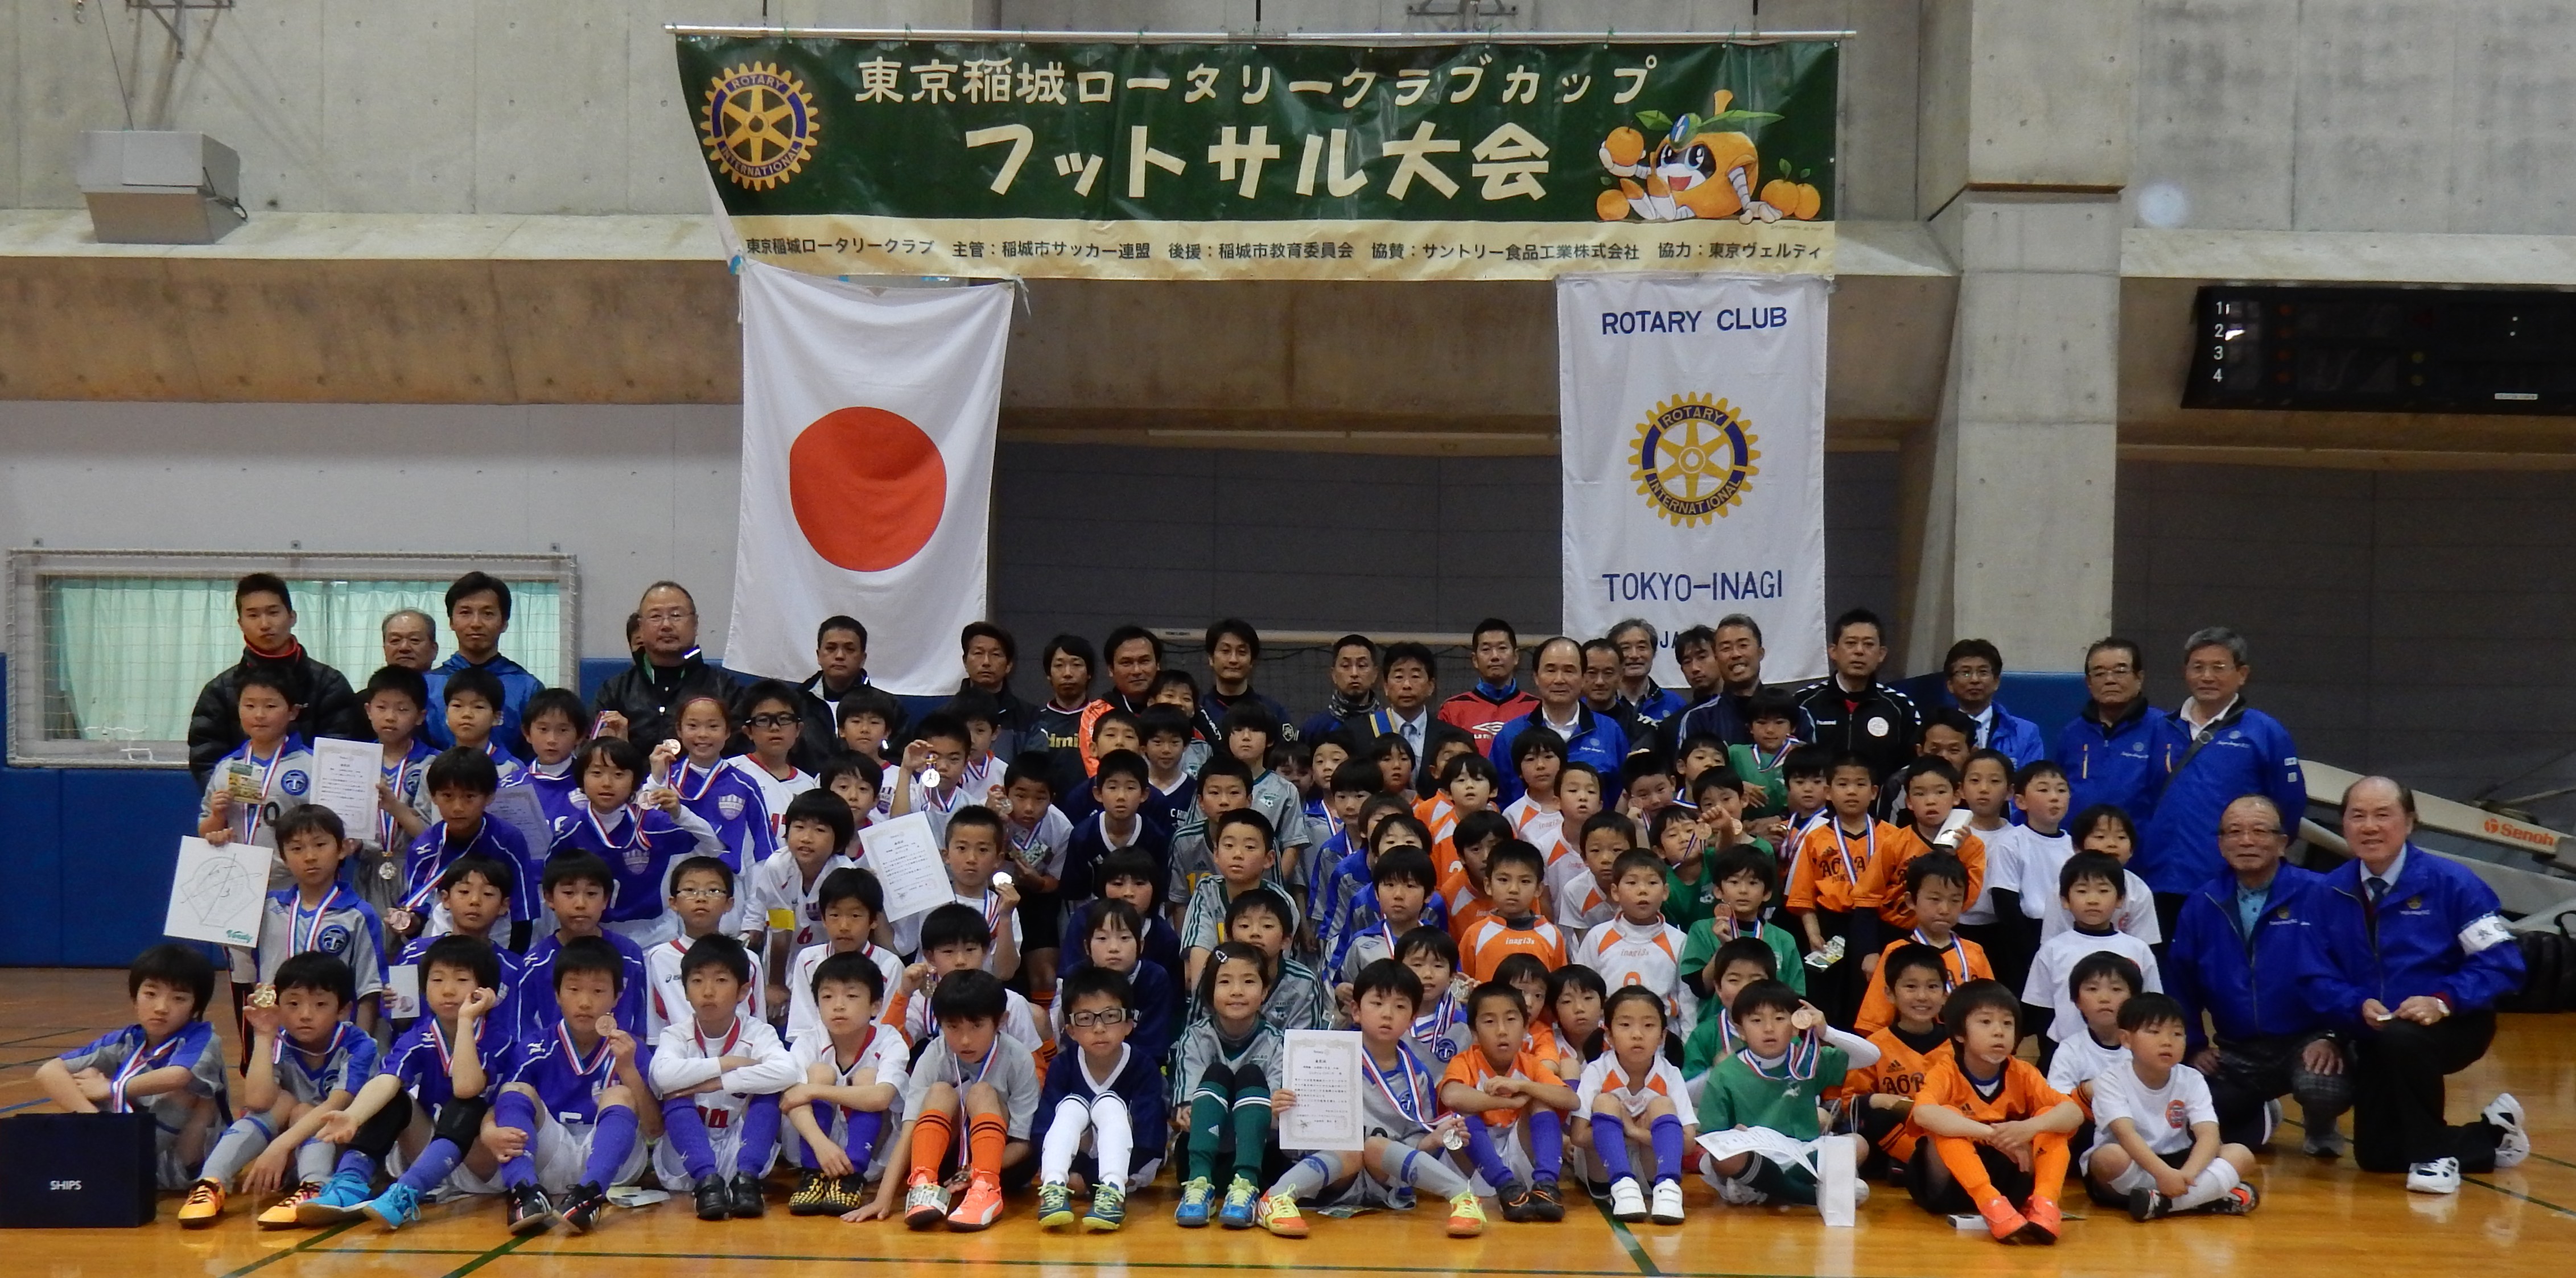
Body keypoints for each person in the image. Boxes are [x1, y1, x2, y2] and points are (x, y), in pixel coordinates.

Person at [2301, 776, 2529, 1194]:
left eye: (2382, 815)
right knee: (2377, 1156)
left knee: (2404, 1038)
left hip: (2454, 1023)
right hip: (2373, 1031)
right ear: (2344, 824)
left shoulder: (2453, 883)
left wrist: (2442, 1000)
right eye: (2357, 816)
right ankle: (2489, 1137)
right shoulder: (2326, 892)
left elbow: (2502, 962)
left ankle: (2433, 1159)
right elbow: (2314, 976)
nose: (2370, 827)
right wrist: (2355, 1006)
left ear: (2409, 822)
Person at [2167, 795, 2352, 1152]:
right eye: (2234, 832)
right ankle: (2263, 1111)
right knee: (2189, 1112)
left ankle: (2320, 1123)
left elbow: (2353, 970)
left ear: (2283, 842)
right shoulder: (2202, 903)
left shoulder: (2321, 893)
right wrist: (2194, 1046)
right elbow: (2180, 981)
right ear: (2221, 844)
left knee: (2322, 1087)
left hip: (2308, 1040)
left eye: (2259, 831)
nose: (2247, 841)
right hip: (2236, 1048)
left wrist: (2335, 1035)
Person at [1258, 959, 1487, 1239]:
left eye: (1400, 1007)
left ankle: (1464, 1197)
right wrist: (1279, 1113)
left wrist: (1432, 1140)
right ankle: (1276, 1198)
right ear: (1356, 1011)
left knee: (1375, 1147)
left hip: (1384, 1183)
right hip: (1332, 1177)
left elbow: (1416, 1139)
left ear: (1412, 1019)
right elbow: (1293, 1137)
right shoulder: (1323, 1058)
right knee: (1352, 1150)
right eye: (1377, 1004)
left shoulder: (1418, 1076)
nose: (1387, 1014)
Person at [325, 936, 513, 1228]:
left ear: (484, 991)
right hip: (430, 1155)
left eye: (461, 980)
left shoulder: (499, 1038)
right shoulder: (419, 1035)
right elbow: (387, 1079)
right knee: (395, 1097)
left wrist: (466, 1020)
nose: (448, 990)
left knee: (467, 1104)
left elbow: (466, 1088)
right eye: (437, 980)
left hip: (483, 1165)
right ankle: (349, 1181)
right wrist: (354, 1116)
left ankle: (406, 1193)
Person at [182, 953, 374, 1228]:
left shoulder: (360, 1046)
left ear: (343, 1010)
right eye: (293, 1004)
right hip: (291, 1150)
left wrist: (279, 1146)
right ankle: (210, 1183)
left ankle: (316, 1188)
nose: (305, 1015)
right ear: (279, 1005)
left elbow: (335, 1106)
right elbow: (257, 1101)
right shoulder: (280, 1039)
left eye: (320, 1004)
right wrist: (263, 1036)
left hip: (344, 1150)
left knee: (305, 1110)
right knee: (280, 1102)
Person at [2138, 627, 2306, 937]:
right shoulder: (2163, 728)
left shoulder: (2265, 732)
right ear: (2185, 672)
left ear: (2242, 674)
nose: (2207, 677)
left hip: (2230, 880)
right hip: (2163, 877)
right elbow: (2148, 797)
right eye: (2198, 667)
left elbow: (2289, 806)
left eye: (2218, 667)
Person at [486, 937, 657, 1235]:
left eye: (598, 991)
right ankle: (525, 1192)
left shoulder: (632, 1048)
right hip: (550, 1157)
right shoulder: (535, 1047)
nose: (585, 1002)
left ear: (617, 997)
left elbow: (655, 1130)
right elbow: (502, 1104)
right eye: (574, 989)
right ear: (557, 994)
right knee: (515, 1090)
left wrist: (629, 1070)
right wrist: (488, 1132)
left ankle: (589, 1196)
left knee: (620, 1093)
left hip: (616, 1167)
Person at [37, 945, 228, 1197]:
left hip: (188, 1166)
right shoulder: (126, 1040)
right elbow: (48, 1071)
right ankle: (116, 1157)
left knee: (185, 1091)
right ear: (134, 999)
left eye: (179, 999)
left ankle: (121, 1162)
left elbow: (178, 1075)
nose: (161, 1007)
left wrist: (111, 1088)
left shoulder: (203, 1038)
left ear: (196, 1008)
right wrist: (96, 1122)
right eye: (151, 994)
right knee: (81, 1079)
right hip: (125, 1150)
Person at [1904, 980, 2081, 1243]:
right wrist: (1993, 1135)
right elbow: (1923, 1114)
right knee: (1946, 1115)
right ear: (1960, 1033)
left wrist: (2029, 1128)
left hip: (2009, 1183)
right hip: (1949, 1186)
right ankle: (1989, 1202)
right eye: (1986, 1022)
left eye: (2007, 1024)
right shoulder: (1946, 1071)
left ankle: (2045, 1204)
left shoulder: (2023, 1073)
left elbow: (2074, 1113)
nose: (1999, 1032)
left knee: (2050, 1116)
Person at [870, 968, 1043, 1230]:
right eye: (952, 1027)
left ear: (1001, 1021)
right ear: (940, 1023)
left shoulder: (1018, 1058)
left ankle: (986, 1189)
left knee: (982, 1092)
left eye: (977, 1026)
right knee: (940, 1091)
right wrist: (883, 1198)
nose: (965, 1040)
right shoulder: (934, 1055)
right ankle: (924, 1186)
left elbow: (1023, 1143)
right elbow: (909, 1130)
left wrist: (974, 1172)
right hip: (948, 1162)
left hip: (1006, 1163)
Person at [1696, 980, 1881, 1209]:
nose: (1769, 1028)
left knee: (1858, 1144)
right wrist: (1731, 1134)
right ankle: (1812, 1195)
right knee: (1723, 1157)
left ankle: (1768, 1189)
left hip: (1803, 1152)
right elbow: (1711, 1134)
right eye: (1756, 1021)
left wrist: (1827, 1031)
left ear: (1795, 1026)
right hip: (1755, 1155)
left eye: (1779, 1018)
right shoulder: (1726, 1073)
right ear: (1741, 1031)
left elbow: (1871, 1056)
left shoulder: (1806, 1059)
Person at [650, 935, 798, 1221]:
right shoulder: (675, 1034)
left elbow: (788, 1071)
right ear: (685, 991)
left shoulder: (759, 1032)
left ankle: (748, 1181)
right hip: (686, 1156)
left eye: (720, 981)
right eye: (697, 981)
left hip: (741, 1147)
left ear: (743, 991)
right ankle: (706, 1182)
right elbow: (663, 1075)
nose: (708, 992)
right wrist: (726, 1063)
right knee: (675, 1094)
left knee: (769, 1092)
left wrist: (719, 1083)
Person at [2082, 992, 2261, 1220]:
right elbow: (2126, 1134)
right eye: (2154, 1032)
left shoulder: (2192, 1078)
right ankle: (2204, 1198)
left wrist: (2188, 1174)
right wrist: (2163, 1174)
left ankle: (2163, 1203)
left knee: (2240, 1154)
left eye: (2177, 1034)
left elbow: (2208, 1134)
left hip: (2179, 1162)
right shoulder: (2111, 1080)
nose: (2167, 1041)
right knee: (2108, 1158)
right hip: (2133, 1162)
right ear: (2126, 1040)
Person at [188, 573, 364, 788]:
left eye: (273, 612)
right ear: (240, 623)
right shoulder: (220, 690)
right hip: (241, 804)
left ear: (292, 617)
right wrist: (245, 798)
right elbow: (207, 760)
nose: (265, 624)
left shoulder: (329, 684)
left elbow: (342, 755)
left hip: (310, 803)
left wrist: (300, 799)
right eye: (253, 615)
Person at [1032, 965, 1167, 1232]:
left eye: (1110, 1016)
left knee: (1110, 1105)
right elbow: (1043, 1130)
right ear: (1070, 1030)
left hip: (1131, 1166)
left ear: (1129, 1023)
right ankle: (1054, 1187)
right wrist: (1077, 1171)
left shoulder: (1142, 1067)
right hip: (1075, 1165)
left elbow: (1150, 1142)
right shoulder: (1063, 1066)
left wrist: (1090, 1177)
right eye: (1085, 1018)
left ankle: (1112, 1191)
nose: (1099, 1028)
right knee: (1070, 1108)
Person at [781, 950, 905, 1217]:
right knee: (820, 1072)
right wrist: (821, 1146)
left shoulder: (890, 1039)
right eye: (827, 997)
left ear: (875, 1006)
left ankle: (852, 1177)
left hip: (872, 1154)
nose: (838, 1005)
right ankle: (813, 1174)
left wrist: (814, 1090)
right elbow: (790, 1100)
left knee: (867, 1078)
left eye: (851, 996)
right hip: (814, 1147)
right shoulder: (808, 1041)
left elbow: (882, 1098)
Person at [1440, 980, 1576, 1222]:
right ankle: (1506, 1187)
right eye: (1489, 1022)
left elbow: (1571, 1100)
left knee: (1541, 1103)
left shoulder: (1529, 1064)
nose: (1502, 1030)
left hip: (1518, 1151)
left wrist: (1523, 1086)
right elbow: (1451, 1095)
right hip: (1474, 1160)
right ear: (1474, 1033)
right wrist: (1508, 1103)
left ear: (1525, 1028)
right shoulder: (1465, 1061)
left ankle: (1546, 1186)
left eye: (1511, 1020)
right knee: (1462, 1116)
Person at [1572, 985, 1697, 1226]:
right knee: (1605, 1101)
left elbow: (1689, 1143)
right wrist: (1626, 1134)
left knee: (1662, 1104)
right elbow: (1578, 1136)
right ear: (1609, 1035)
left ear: (1662, 1036)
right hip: (1604, 1174)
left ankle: (1669, 1187)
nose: (1637, 1034)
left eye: (1648, 1025)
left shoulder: (1670, 1074)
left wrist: (1632, 1130)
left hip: (1652, 1173)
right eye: (1625, 1025)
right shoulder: (1597, 1070)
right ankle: (1623, 1184)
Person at [591, 582, 743, 755]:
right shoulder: (615, 691)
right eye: (656, 616)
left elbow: (739, 755)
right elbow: (592, 757)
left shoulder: (725, 689)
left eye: (676, 615)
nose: (666, 625)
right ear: (641, 627)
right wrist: (621, 750)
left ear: (695, 624)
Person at [1490, 637, 1628, 803]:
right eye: (1551, 670)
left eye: (1569, 671)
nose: (1559, 679)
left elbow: (1622, 796)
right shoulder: (1511, 735)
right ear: (1536, 677)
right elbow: (1496, 799)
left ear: (1583, 677)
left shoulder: (1610, 732)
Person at [423, 572, 543, 757]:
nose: (476, 623)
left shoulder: (528, 688)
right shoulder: (427, 685)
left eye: (488, 614)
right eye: (465, 613)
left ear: (504, 623)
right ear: (451, 621)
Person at [1793, 608, 1919, 782]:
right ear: (1833, 651)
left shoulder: (1900, 707)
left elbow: (1913, 768)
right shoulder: (1803, 703)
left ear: (1881, 654)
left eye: (1869, 645)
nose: (1859, 651)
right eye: (1851, 643)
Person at [2053, 637, 2163, 831]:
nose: (2110, 680)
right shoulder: (2071, 733)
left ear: (2139, 678)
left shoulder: (2163, 729)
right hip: (2077, 845)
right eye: (2100, 673)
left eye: (2120, 671)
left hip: (2137, 845)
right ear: (2089, 682)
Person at [1939, 639, 2046, 768]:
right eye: (1966, 673)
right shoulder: (1935, 732)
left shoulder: (2026, 733)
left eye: (1983, 672)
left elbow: (2031, 778)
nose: (1975, 680)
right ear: (1950, 684)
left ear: (1996, 681)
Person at [1439, 618, 1536, 751]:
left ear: (1516, 657)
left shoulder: (1536, 708)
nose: (1495, 656)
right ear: (1475, 660)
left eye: (1502, 648)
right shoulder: (1452, 709)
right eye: (1486, 649)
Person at [792, 616, 871, 770]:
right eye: (831, 648)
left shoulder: (888, 708)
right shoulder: (795, 704)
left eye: (849, 649)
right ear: (819, 655)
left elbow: (897, 761)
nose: (840, 656)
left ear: (863, 659)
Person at [955, 621, 1034, 757]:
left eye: (996, 654)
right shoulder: (945, 715)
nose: (986, 662)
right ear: (965, 662)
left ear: (1009, 665)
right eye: (978, 653)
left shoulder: (1029, 717)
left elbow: (1033, 765)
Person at [1033, 634, 1098, 798]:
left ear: (1089, 673)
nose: (1068, 673)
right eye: (1059, 666)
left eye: (1076, 665)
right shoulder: (1034, 721)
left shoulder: (1103, 720)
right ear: (1049, 674)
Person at [1358, 641, 1442, 760]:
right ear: (1386, 686)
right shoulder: (1360, 734)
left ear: (1431, 686)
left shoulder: (1448, 737)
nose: (1407, 685)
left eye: (1415, 676)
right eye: (1399, 677)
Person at [1607, 617, 1685, 726]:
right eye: (1625, 648)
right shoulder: (1599, 703)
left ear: (1653, 653)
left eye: (1642, 647)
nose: (1634, 655)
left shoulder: (1676, 705)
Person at [1304, 633, 1382, 741]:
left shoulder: (1389, 726)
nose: (1354, 673)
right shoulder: (1313, 729)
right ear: (1333, 675)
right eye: (1346, 666)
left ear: (1375, 674)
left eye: (1362, 665)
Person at [380, 608, 439, 674]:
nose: (404, 647)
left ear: (434, 650)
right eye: (395, 640)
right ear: (385, 649)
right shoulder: (375, 680)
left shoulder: (445, 680)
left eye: (415, 640)